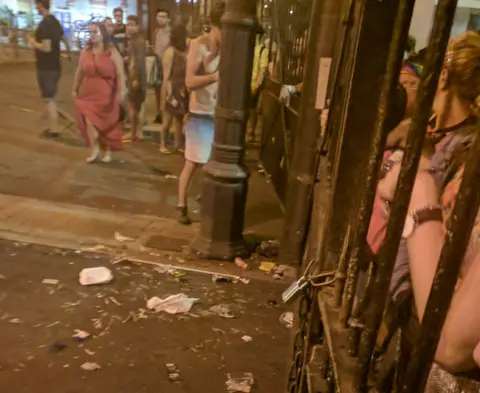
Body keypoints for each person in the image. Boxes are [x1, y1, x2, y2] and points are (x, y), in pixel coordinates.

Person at [378, 31, 480, 391]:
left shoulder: (465, 147)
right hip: (419, 299)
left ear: (444, 78)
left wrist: (417, 186)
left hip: (427, 307)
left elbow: (451, 344)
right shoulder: (436, 133)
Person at [176, 0, 225, 225]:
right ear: (214, 26)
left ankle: (203, 201)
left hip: (217, 113)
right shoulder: (198, 44)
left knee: (212, 163)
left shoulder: (225, 48)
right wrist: (214, 76)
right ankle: (181, 205)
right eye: (223, 29)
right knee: (193, 162)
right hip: (200, 113)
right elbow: (189, 81)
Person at [73, 23, 126, 163]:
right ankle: (95, 148)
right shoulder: (85, 52)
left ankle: (107, 149)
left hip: (107, 93)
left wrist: (122, 90)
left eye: (95, 32)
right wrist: (75, 88)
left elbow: (120, 73)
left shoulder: (112, 52)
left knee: (106, 123)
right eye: (90, 32)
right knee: (90, 121)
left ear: (103, 33)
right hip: (88, 93)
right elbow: (79, 72)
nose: (92, 35)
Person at [25, 0, 69, 138]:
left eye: (36, 5)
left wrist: (32, 41)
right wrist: (67, 53)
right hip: (55, 65)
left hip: (46, 67)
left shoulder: (45, 24)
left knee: (48, 98)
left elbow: (46, 47)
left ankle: (54, 129)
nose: (35, 8)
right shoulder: (55, 21)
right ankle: (50, 124)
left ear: (41, 6)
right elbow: (63, 39)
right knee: (51, 97)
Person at [159, 23, 189, 154]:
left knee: (179, 119)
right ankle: (162, 144)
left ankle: (178, 144)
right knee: (167, 118)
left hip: (182, 88)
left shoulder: (184, 51)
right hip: (172, 88)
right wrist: (165, 94)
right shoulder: (170, 52)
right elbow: (166, 77)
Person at [123, 15, 147, 142]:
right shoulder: (134, 40)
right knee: (135, 106)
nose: (129, 27)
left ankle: (133, 132)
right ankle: (136, 132)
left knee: (131, 104)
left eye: (132, 24)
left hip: (136, 78)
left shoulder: (138, 41)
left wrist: (135, 78)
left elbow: (138, 62)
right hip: (134, 77)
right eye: (128, 24)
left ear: (138, 26)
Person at [247, 27, 269, 143]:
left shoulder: (259, 50)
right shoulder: (262, 50)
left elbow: (262, 70)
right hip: (252, 84)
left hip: (251, 84)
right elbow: (263, 69)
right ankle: (250, 132)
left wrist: (256, 85)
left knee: (252, 110)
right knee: (252, 110)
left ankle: (250, 132)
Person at [153, 8, 171, 124]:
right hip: (158, 63)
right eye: (159, 16)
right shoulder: (157, 32)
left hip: (168, 63)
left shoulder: (171, 33)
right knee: (157, 89)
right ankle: (159, 112)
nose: (160, 19)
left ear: (169, 19)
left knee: (167, 89)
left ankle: (166, 113)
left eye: (163, 17)